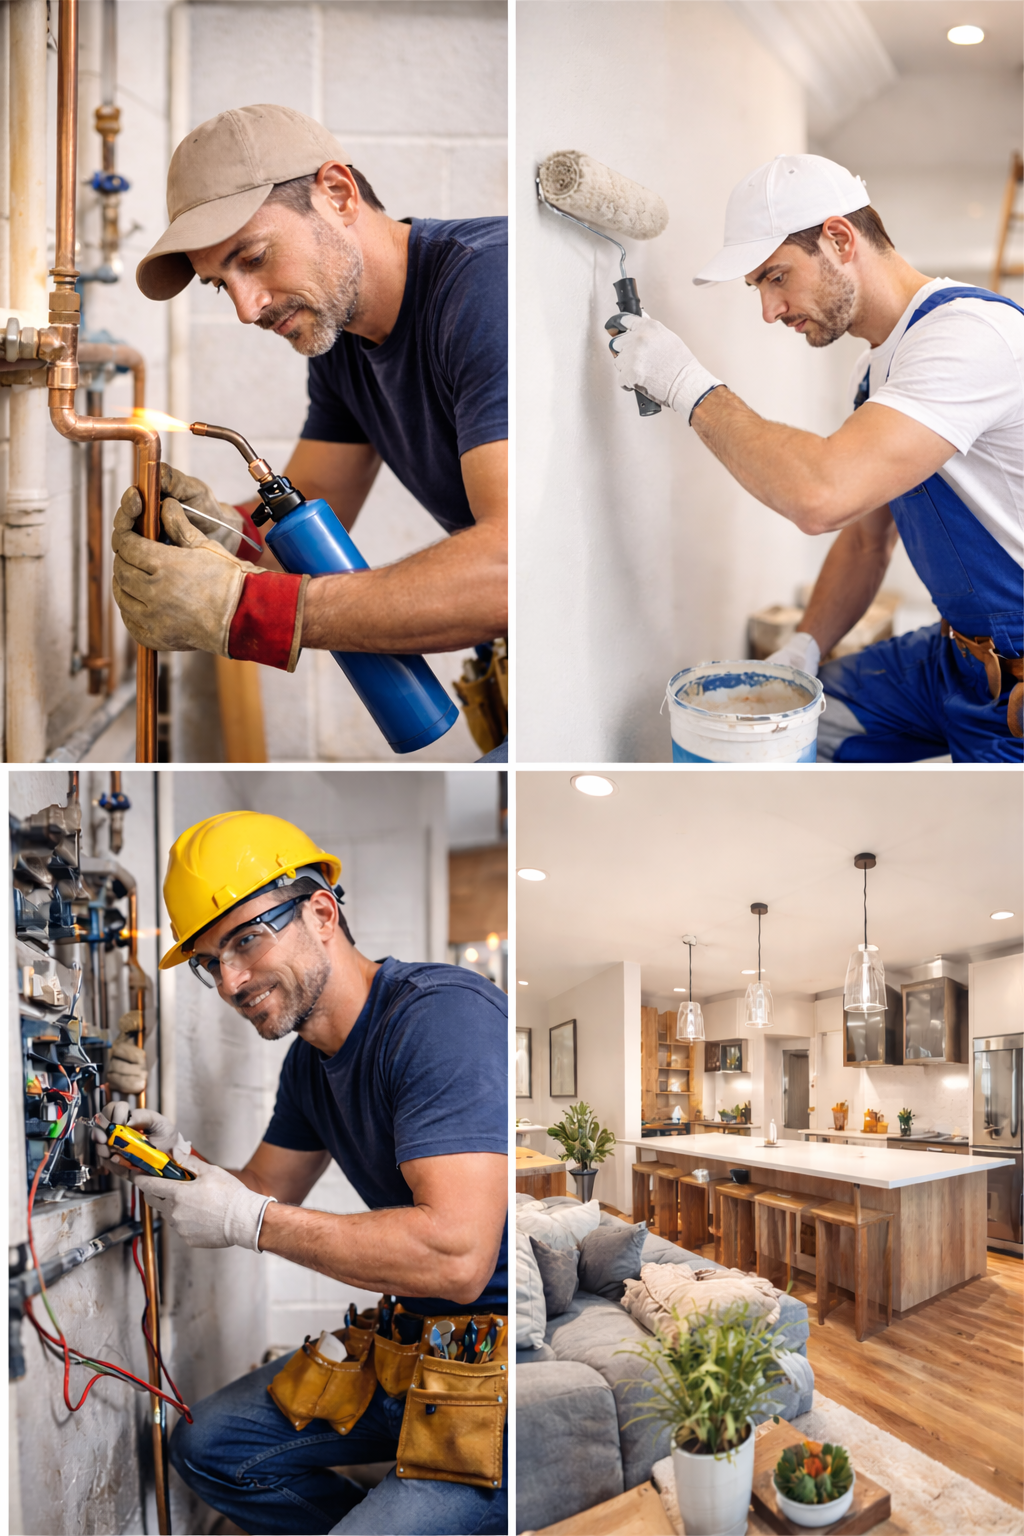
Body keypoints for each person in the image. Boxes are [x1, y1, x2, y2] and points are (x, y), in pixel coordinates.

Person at [95, 811, 508, 1536]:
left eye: (247, 939)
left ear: (321, 912)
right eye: (208, 960)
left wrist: (250, 1224)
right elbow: (264, 1193)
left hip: (499, 1370)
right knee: (209, 1449)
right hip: (405, 1350)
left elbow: (457, 1257)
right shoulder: (309, 1066)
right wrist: (176, 1163)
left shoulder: (441, 1019)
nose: (229, 980)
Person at [111, 104, 508, 755]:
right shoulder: (343, 342)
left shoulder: (486, 291)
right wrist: (204, 536)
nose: (246, 308)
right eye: (220, 285)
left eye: (254, 258)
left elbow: (505, 570)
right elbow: (305, 518)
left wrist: (248, 612)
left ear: (337, 193)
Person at [610, 153, 1023, 763]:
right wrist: (805, 645)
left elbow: (822, 494)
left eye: (776, 277)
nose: (769, 310)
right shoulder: (876, 370)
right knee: (771, 730)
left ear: (838, 238)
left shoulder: (968, 336)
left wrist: (686, 385)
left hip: (1015, 690)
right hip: (954, 659)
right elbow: (865, 542)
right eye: (758, 288)